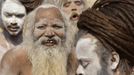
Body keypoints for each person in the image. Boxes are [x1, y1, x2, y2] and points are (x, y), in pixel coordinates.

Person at [0, 4, 76, 75]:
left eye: (56, 26)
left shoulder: (74, 57)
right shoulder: (14, 58)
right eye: (41, 27)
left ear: (66, 30)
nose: (49, 34)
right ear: (31, 31)